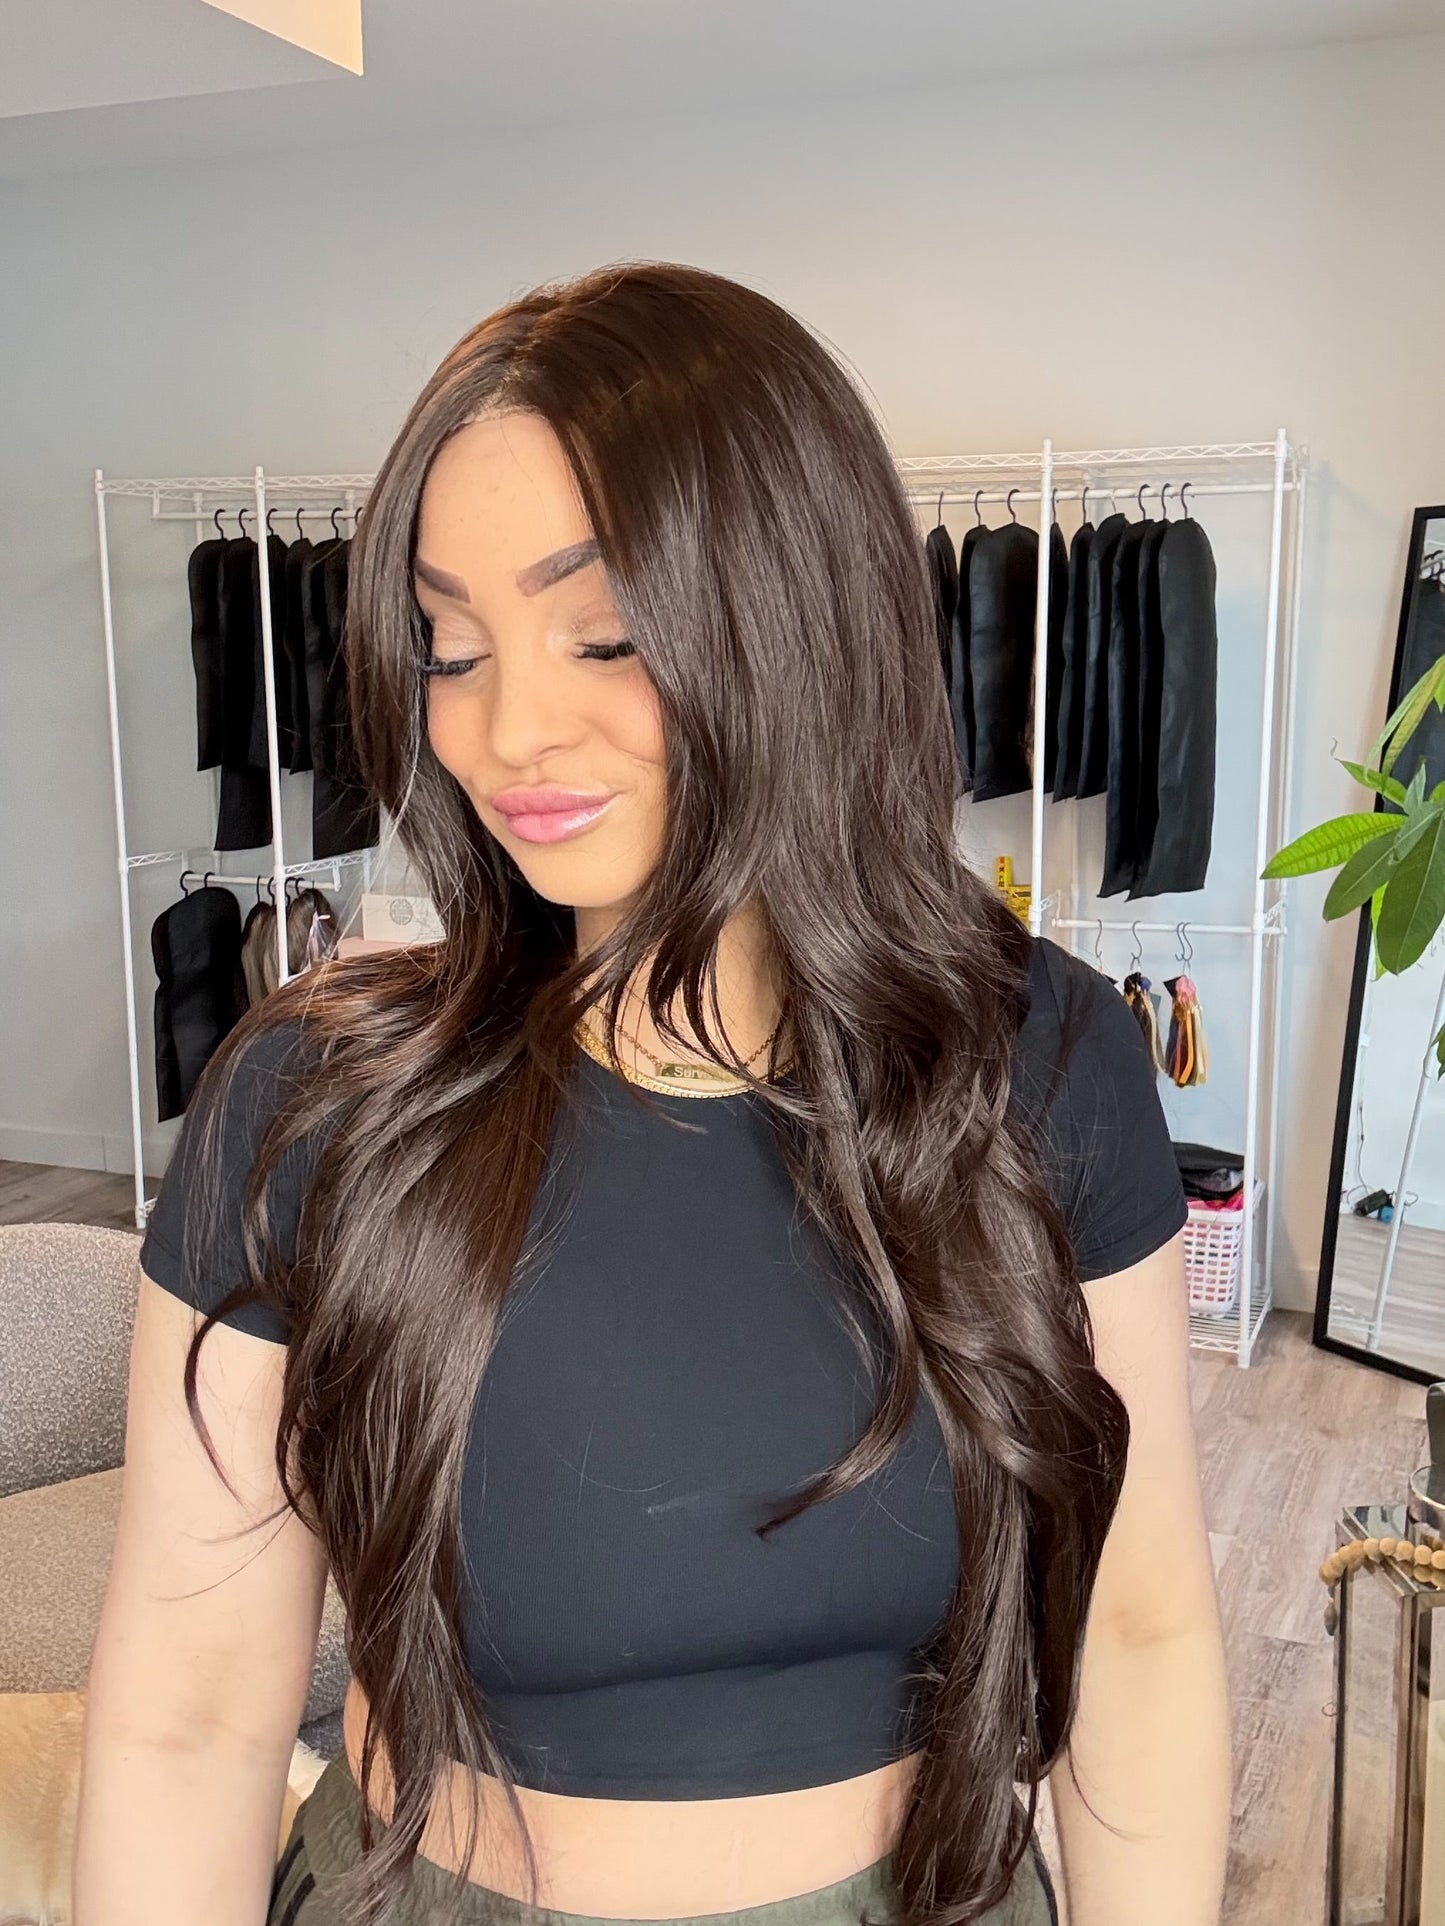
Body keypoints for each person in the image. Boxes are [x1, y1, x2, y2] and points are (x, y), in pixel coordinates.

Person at [74, 262, 1230, 1926]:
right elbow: (188, 1709)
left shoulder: (1035, 1064)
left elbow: (1137, 1633)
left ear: (795, 616)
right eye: (448, 645)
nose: (503, 729)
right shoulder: (315, 1101)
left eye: (601, 632)